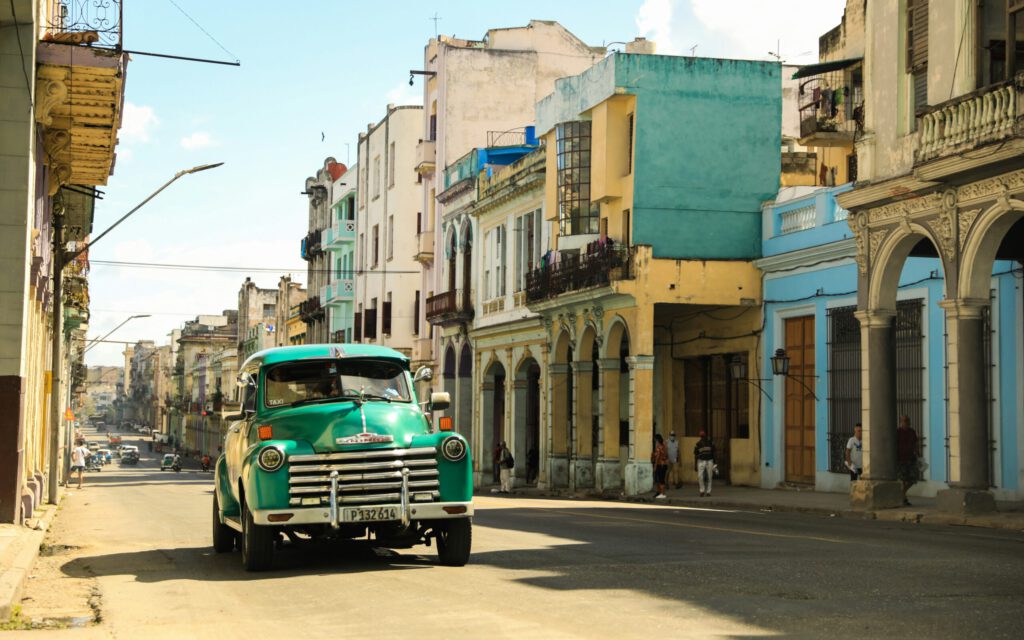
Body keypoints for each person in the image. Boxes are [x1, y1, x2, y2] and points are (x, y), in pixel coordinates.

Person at [896, 415, 920, 506]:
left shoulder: (912, 432)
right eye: (904, 421)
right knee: (903, 479)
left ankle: (901, 494)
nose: (905, 422)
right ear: (901, 422)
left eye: (907, 421)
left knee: (913, 479)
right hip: (900, 459)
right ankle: (903, 498)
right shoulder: (898, 432)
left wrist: (918, 454)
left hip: (911, 458)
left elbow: (915, 443)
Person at [694, 431, 716, 497]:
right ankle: (702, 490)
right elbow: (695, 455)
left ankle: (708, 491)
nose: (702, 437)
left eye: (703, 436)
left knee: (710, 476)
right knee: (700, 477)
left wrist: (715, 462)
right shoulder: (697, 444)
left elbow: (714, 453)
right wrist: (695, 464)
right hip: (700, 461)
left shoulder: (710, 443)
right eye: (701, 436)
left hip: (709, 460)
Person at [651, 434, 669, 499]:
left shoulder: (659, 447)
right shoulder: (665, 446)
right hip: (665, 464)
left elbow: (657, 457)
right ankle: (660, 492)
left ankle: (662, 493)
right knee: (661, 479)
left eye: (655, 439)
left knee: (660, 479)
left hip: (660, 464)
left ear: (657, 440)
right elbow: (666, 455)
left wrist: (655, 466)